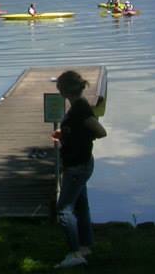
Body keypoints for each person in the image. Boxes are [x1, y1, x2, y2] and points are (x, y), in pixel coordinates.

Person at [52, 70, 107, 269]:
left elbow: (100, 132)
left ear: (63, 89)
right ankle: (86, 246)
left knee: (63, 210)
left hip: (77, 166)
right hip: (78, 164)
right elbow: (79, 129)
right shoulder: (77, 106)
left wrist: (79, 137)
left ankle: (75, 253)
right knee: (80, 206)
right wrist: (64, 134)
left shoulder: (80, 108)